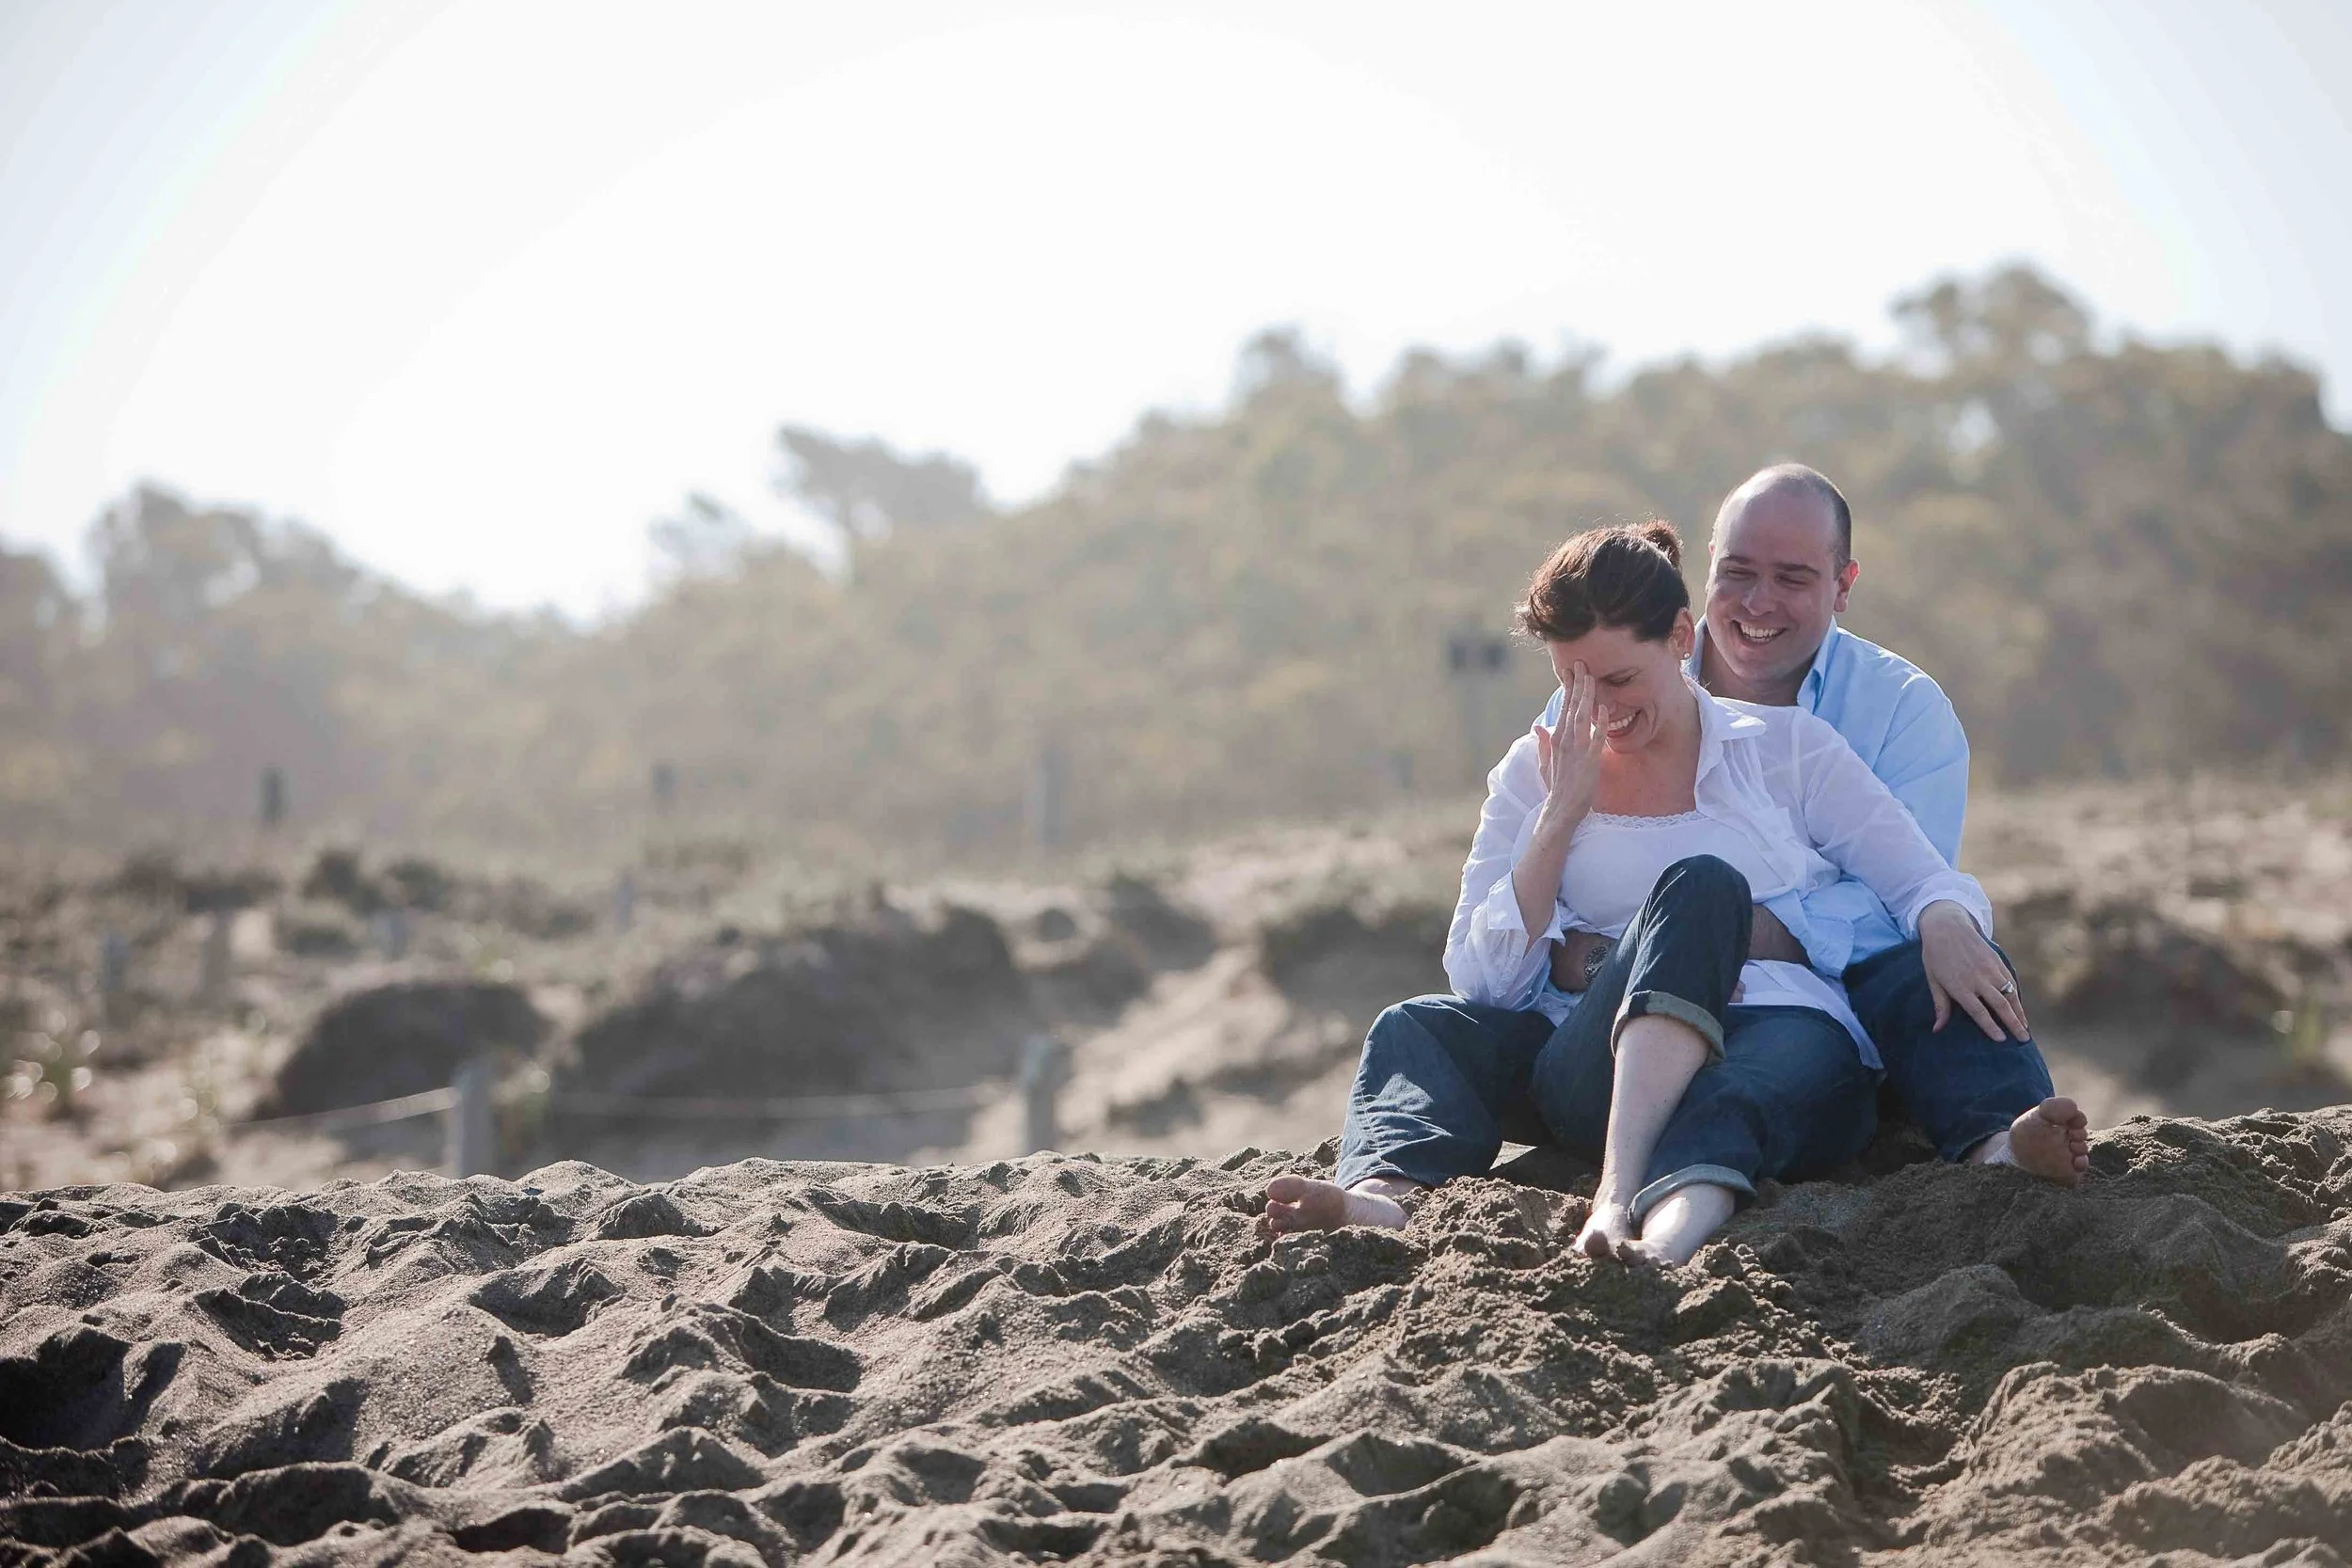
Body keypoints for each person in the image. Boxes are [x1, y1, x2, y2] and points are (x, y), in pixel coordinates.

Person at [1263, 520, 2025, 1264]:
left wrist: (1942, 915)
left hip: (1774, 1037)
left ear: (1682, 640)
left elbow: (1918, 873)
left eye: (1619, 678)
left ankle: (1646, 1225)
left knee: (1704, 899)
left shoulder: (1790, 750)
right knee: (1416, 1027)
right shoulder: (1535, 771)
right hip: (1587, 1066)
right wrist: (1559, 815)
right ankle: (1380, 1194)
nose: (1596, 707)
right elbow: (1483, 977)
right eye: (1571, 680)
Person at [1544, 466, 2087, 1185]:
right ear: (1706, 566)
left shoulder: (1903, 709)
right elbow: (1547, 884)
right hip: (1643, 986)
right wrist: (1646, 947)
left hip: (1836, 996)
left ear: (1843, 584)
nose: (1758, 602)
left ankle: (2000, 1142)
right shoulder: (1611, 680)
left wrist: (1756, 929)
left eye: (1793, 578)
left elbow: (1891, 900)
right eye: (1737, 571)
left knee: (1942, 955)